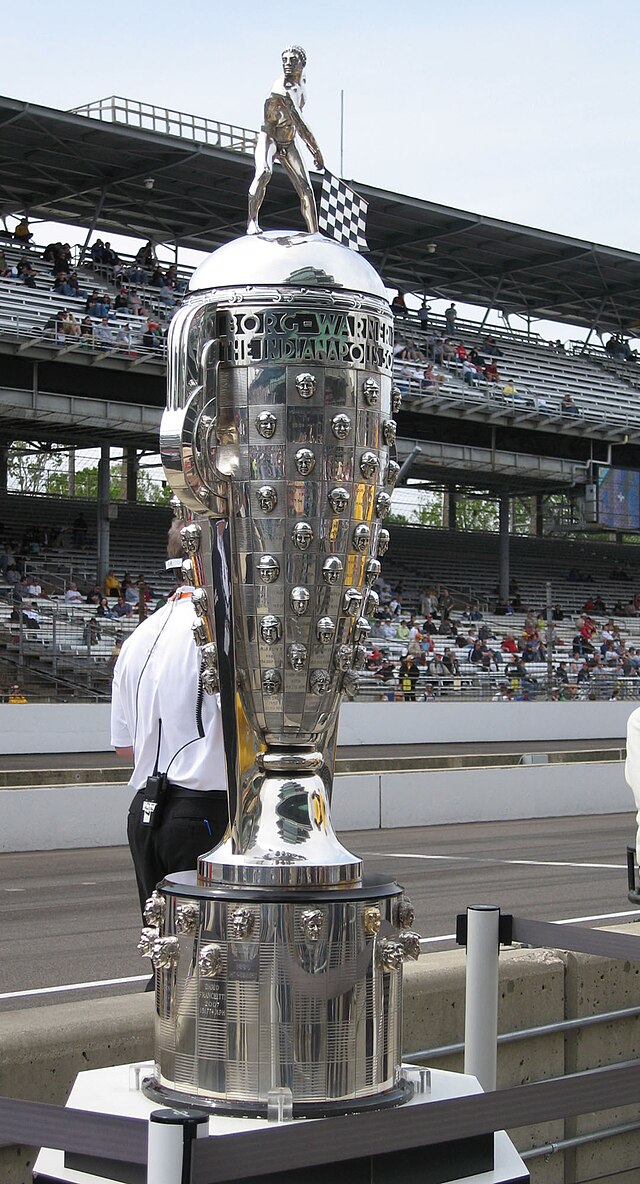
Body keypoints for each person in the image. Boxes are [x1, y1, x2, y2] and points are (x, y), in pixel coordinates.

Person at [110, 519, 229, 923]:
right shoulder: (219, 634)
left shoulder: (137, 638)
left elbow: (123, 746)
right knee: (213, 957)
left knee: (164, 953)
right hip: (205, 810)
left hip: (145, 811)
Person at [247, 45, 324, 235]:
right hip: (270, 136)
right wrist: (316, 150)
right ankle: (251, 222)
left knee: (305, 187)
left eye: (292, 60)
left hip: (288, 139)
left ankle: (314, 232)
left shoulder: (302, 82)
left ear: (302, 64)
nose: (287, 64)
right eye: (284, 60)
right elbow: (300, 122)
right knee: (263, 173)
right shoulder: (282, 89)